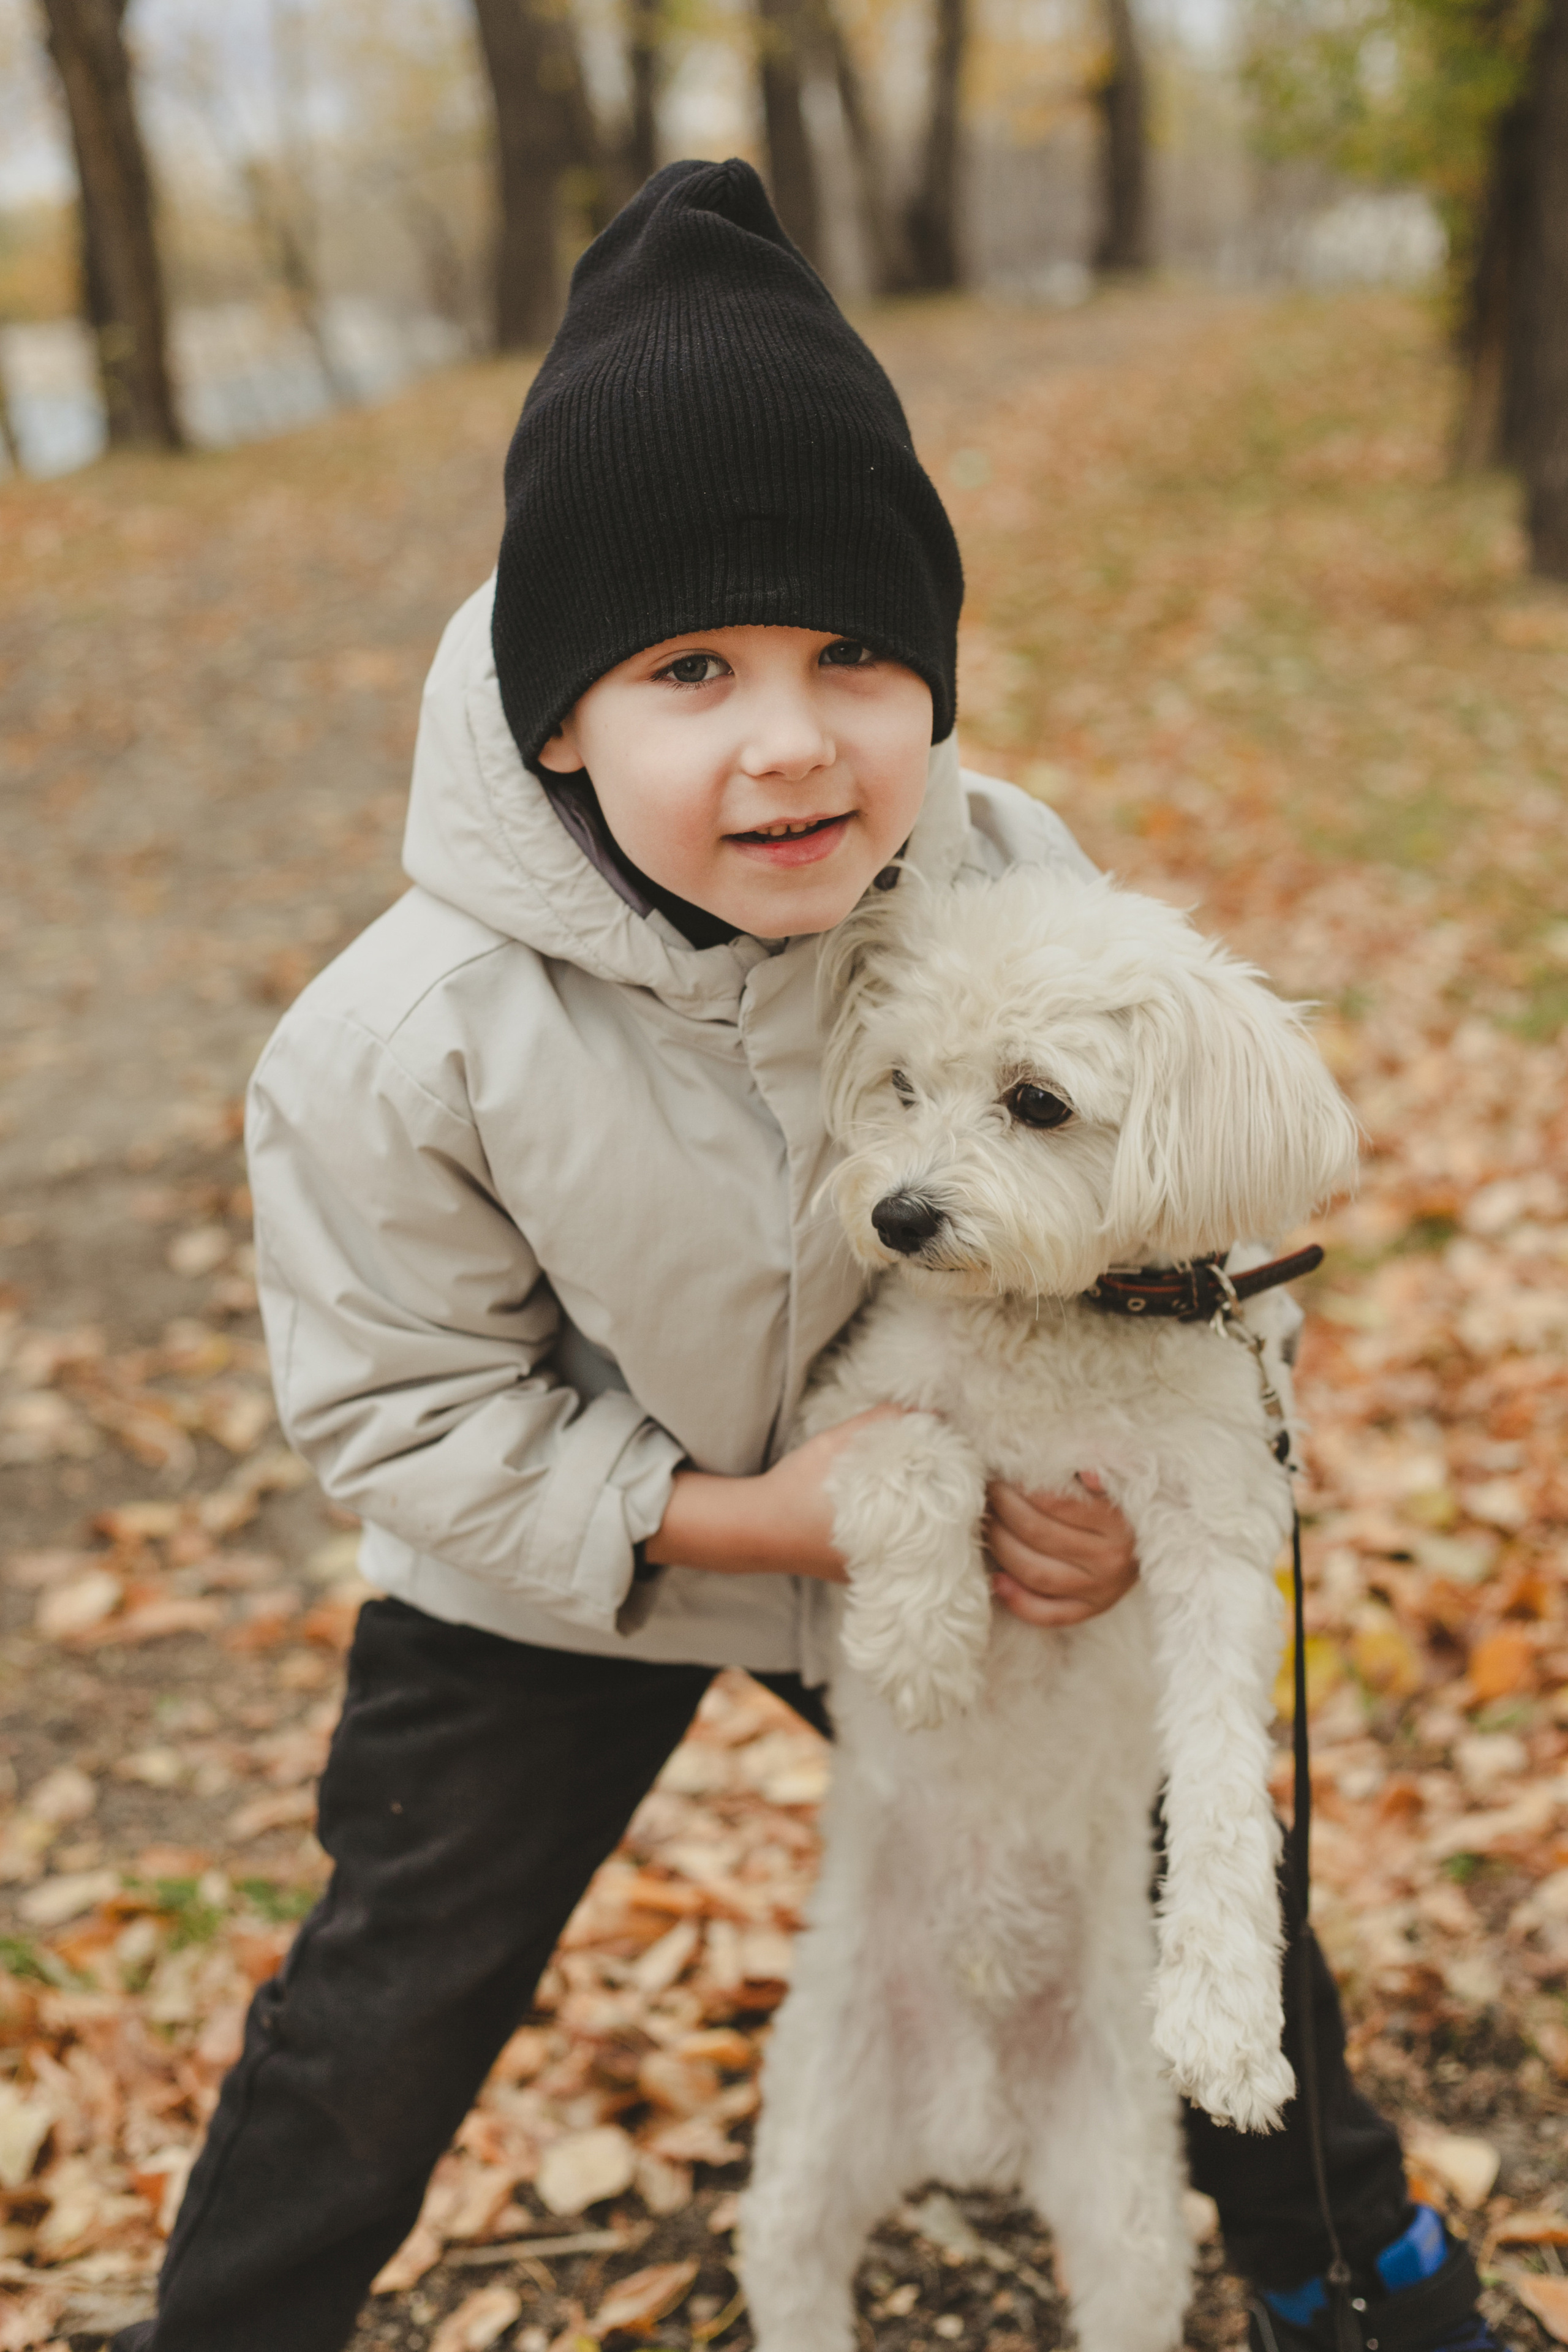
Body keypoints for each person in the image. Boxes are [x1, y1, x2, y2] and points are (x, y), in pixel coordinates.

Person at [114, 159, 1505, 2352]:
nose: (792, 737)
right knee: (398, 1980)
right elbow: (401, 1413)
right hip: (581, 1559)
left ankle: (1343, 2251)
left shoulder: (1003, 881)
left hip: (963, 1497)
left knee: (1172, 1853)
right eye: (692, 667)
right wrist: (752, 1518)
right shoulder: (402, 1039)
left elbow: (1174, 1232)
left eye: (859, 653)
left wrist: (1136, 1519)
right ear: (560, 716)